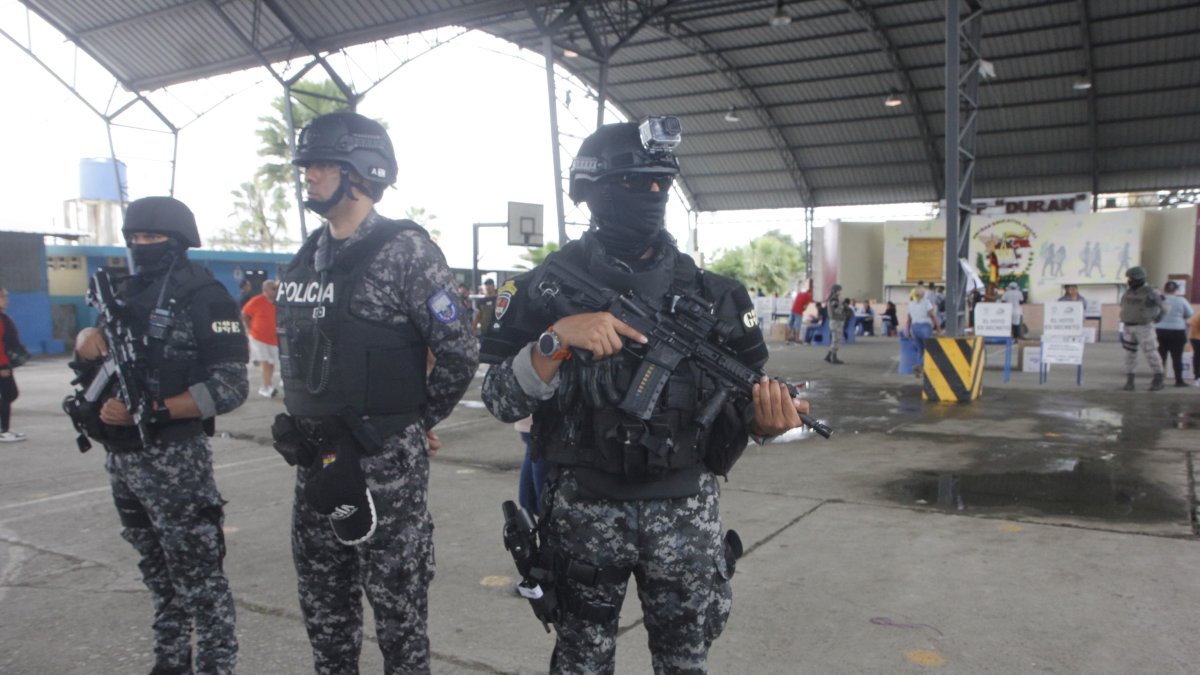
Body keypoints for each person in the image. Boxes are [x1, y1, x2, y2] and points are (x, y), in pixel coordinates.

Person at [479, 118, 811, 674]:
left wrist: (764, 422)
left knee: (686, 664)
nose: (652, 195)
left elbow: (742, 403)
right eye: (634, 183)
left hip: (686, 514)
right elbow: (500, 400)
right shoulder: (538, 290)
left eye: (661, 183)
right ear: (589, 191)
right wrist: (556, 340)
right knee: (581, 662)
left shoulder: (717, 295)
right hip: (583, 509)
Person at [276, 110, 478, 674]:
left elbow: (459, 350)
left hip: (384, 463)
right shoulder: (308, 256)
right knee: (324, 613)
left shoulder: (407, 251)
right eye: (307, 165)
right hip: (316, 460)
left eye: (322, 164)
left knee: (399, 618)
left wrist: (411, 422)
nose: (309, 176)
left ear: (362, 172)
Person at [71, 196, 248, 674]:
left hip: (176, 461)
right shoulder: (124, 292)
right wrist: (85, 341)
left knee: (200, 582)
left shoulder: (206, 296)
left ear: (180, 241)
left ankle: (215, 665)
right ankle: (170, 661)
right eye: (136, 238)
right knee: (157, 574)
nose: (143, 246)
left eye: (154, 238)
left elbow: (231, 387)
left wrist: (152, 410)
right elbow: (103, 354)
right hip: (124, 460)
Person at [1118, 266, 1165, 391]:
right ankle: (1130, 380)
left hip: (1144, 327)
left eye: (1131, 278)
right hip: (1128, 326)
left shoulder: (1151, 292)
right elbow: (1123, 305)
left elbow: (1165, 307)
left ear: (1139, 278)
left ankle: (1158, 378)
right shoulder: (1128, 291)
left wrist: (1157, 318)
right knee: (1129, 354)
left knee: (1151, 352)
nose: (1129, 280)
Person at [242, 278, 280, 398]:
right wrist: (249, 329)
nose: (275, 290)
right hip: (259, 337)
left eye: (276, 288)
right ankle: (266, 386)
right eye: (273, 288)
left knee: (272, 363)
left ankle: (267, 385)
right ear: (265, 290)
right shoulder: (256, 301)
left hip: (273, 339)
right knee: (265, 361)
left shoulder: (278, 302)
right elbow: (244, 314)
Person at [0, 287, 28, 443]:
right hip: (1, 364)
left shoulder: (3, 317)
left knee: (10, 394)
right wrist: (3, 366)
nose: (6, 299)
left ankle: (4, 429)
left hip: (5, 362)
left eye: (6, 296)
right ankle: (3, 431)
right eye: (3, 296)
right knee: (9, 394)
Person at [1154, 280, 1194, 387]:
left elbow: (1153, 313)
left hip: (1159, 330)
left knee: (1161, 356)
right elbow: (1190, 313)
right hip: (1177, 331)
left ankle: (1158, 380)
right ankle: (1178, 380)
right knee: (1177, 357)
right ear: (1176, 290)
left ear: (1164, 289)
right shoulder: (1181, 300)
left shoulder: (1159, 299)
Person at [906, 286, 939, 378]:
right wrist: (937, 327)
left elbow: (909, 319)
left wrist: (908, 331)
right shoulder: (926, 302)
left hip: (914, 327)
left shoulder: (911, 304)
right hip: (925, 327)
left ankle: (919, 367)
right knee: (928, 349)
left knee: (920, 350)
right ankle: (920, 366)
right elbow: (932, 315)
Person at [787, 278, 813, 343]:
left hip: (793, 309)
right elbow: (805, 306)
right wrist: (804, 309)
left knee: (790, 323)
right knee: (798, 325)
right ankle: (797, 339)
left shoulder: (800, 293)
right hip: (799, 311)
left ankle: (789, 337)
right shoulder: (809, 296)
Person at [826, 284, 847, 364]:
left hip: (835, 321)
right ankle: (834, 357)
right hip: (836, 321)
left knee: (835, 339)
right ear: (836, 291)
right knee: (836, 340)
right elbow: (837, 310)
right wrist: (842, 305)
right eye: (839, 290)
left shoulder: (833, 299)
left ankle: (829, 356)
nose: (840, 292)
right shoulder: (834, 300)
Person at [1188, 309, 1200, 387]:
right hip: (1197, 338)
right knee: (1198, 357)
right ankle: (1197, 378)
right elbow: (1191, 322)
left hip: (1195, 336)